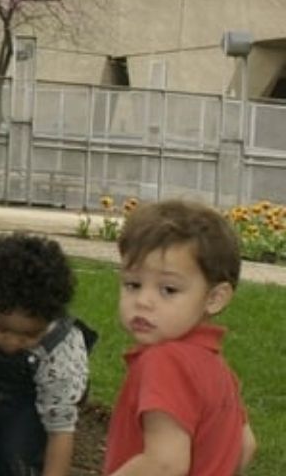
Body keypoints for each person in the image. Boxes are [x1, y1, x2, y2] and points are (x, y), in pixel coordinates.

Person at [103, 200, 256, 475]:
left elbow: (164, 464)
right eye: (133, 284)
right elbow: (245, 446)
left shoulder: (165, 362)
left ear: (214, 298)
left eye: (168, 289)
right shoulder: (217, 368)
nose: (144, 301)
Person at [0, 233, 94, 476]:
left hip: (33, 399)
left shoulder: (61, 355)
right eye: (3, 329)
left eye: (29, 335)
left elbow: (60, 433)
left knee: (19, 455)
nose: (13, 342)